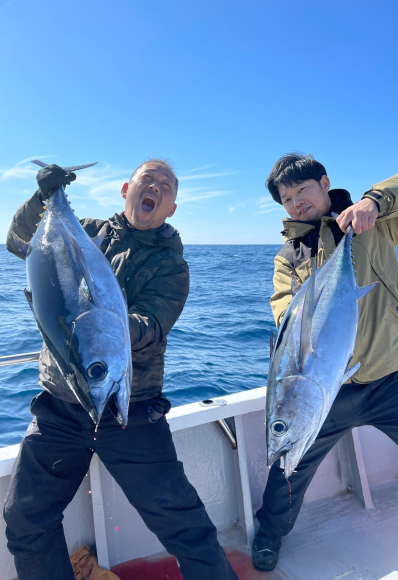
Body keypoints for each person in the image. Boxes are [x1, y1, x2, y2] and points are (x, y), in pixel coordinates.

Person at [4, 160, 239, 580]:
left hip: (130, 410)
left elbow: (152, 325)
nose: (156, 187)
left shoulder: (171, 265)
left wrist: (106, 323)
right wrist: (44, 196)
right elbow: (19, 241)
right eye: (148, 179)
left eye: (166, 186)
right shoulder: (84, 229)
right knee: (25, 517)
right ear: (126, 189)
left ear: (171, 208)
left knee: (185, 525)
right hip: (58, 409)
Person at [252, 152, 398, 572]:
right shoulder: (289, 257)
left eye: (302, 190)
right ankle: (269, 533)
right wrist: (301, 321)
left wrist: (377, 201)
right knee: (287, 468)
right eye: (287, 199)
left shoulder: (375, 223)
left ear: (324, 182)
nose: (297, 202)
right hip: (327, 390)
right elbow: (283, 309)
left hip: (393, 379)